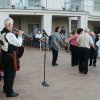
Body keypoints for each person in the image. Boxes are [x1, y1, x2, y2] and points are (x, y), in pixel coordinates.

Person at [0, 17, 23, 97]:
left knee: (6, 74)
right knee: (11, 75)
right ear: (9, 24)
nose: (13, 25)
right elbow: (19, 44)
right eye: (12, 24)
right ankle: (9, 92)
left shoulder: (2, 32)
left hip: (5, 56)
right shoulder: (9, 34)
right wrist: (19, 35)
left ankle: (6, 88)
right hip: (10, 58)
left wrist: (13, 34)